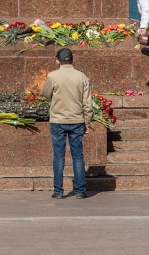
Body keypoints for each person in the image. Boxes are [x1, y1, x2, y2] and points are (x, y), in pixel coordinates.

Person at [41, 48, 93, 199]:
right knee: (78, 156)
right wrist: (87, 122)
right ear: (72, 59)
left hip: (58, 120)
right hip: (77, 120)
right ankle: (80, 191)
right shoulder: (81, 77)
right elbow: (87, 103)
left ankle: (58, 191)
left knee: (58, 156)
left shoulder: (52, 76)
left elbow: (45, 93)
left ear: (57, 60)